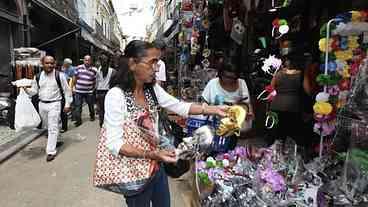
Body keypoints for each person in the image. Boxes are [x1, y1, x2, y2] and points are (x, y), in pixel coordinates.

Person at [104, 40, 227, 207]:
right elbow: (114, 144)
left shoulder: (151, 89)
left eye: (157, 62)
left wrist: (214, 109)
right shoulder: (116, 96)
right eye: (152, 62)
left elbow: (180, 106)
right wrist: (152, 154)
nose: (156, 68)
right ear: (133, 63)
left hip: (156, 166)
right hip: (133, 172)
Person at [24, 56, 72, 162]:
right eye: (47, 63)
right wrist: (26, 89)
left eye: (51, 63)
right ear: (42, 64)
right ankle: (57, 139)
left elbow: (67, 91)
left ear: (54, 64)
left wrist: (67, 104)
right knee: (47, 125)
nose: (49, 65)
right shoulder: (37, 76)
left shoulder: (60, 75)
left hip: (55, 104)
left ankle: (51, 151)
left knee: (52, 127)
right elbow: (34, 91)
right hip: (42, 105)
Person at [202, 58, 254, 152]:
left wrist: (247, 112)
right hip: (215, 126)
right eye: (226, 76)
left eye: (233, 78)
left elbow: (246, 103)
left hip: (232, 128)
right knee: (213, 152)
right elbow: (204, 104)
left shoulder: (241, 84)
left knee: (230, 153)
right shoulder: (212, 84)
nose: (229, 80)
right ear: (221, 73)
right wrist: (213, 109)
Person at [268, 52, 311, 147]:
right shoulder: (302, 74)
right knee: (293, 133)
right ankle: (290, 155)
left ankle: (274, 156)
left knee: (277, 134)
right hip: (293, 107)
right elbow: (308, 91)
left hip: (276, 106)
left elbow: (270, 89)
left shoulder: (278, 73)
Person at [72, 55, 97, 127]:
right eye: (86, 60)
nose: (87, 61)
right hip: (79, 91)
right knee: (78, 106)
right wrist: (73, 87)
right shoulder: (79, 67)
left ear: (91, 61)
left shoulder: (94, 70)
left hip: (89, 91)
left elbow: (95, 80)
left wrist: (93, 88)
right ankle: (78, 121)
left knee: (90, 105)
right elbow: (75, 77)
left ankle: (92, 116)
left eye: (89, 60)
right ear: (83, 60)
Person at [95, 53, 115, 127]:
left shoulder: (112, 71)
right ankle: (102, 123)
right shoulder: (98, 70)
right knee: (101, 110)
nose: (103, 61)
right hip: (100, 92)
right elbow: (97, 82)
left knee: (108, 109)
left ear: (108, 61)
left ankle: (108, 122)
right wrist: (96, 93)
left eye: (105, 60)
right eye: (102, 60)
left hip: (108, 92)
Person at [60, 58, 75, 132]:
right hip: (62, 87)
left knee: (69, 102)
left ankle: (72, 115)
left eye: (67, 63)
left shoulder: (72, 69)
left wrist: (71, 87)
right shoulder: (62, 67)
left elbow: (73, 78)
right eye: (65, 63)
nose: (65, 64)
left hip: (68, 86)